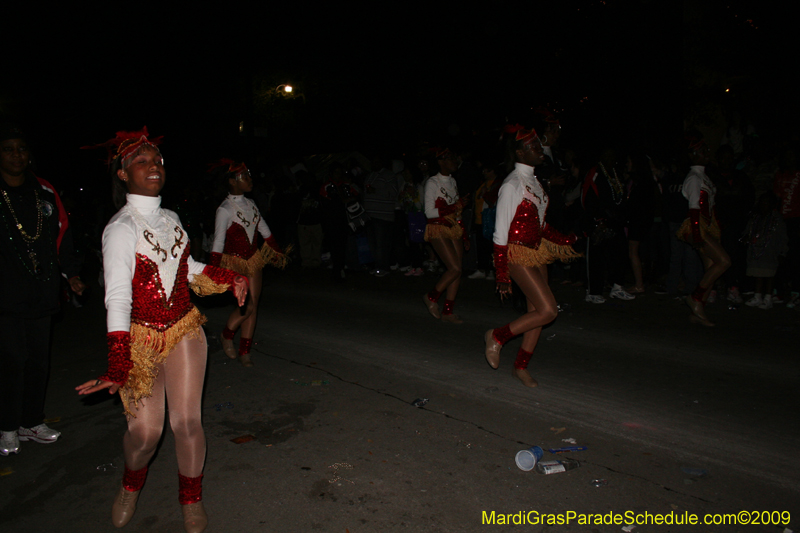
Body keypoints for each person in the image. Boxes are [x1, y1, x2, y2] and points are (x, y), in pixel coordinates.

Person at [76, 129, 248, 533]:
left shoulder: (170, 219)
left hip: (184, 327)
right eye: (142, 161)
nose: (154, 166)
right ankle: (130, 484)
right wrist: (118, 364)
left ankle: (191, 499)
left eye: (157, 160)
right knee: (146, 435)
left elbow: (185, 267)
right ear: (122, 174)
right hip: (140, 340)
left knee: (187, 423)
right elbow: (117, 298)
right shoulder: (120, 228)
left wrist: (227, 277)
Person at [0, 124, 85, 456]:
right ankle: (7, 426)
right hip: (5, 295)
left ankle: (30, 422)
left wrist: (71, 274)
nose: (16, 155)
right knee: (10, 360)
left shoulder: (45, 191)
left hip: (41, 291)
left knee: (38, 360)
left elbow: (63, 237)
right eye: (8, 149)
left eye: (21, 148)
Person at [484, 126, 580, 387]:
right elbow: (500, 235)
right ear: (519, 152)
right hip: (515, 252)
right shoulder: (512, 184)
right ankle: (497, 335)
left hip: (537, 252)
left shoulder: (535, 182)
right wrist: (502, 273)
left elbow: (540, 226)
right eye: (534, 147)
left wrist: (566, 240)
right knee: (549, 311)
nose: (540, 150)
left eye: (539, 145)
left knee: (537, 312)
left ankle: (520, 367)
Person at [209, 159, 289, 367]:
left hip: (253, 260)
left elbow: (264, 230)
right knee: (249, 305)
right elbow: (218, 240)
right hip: (234, 263)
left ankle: (245, 351)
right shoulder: (225, 209)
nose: (249, 180)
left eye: (248, 175)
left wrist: (278, 252)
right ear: (232, 182)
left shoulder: (251, 204)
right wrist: (213, 270)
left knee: (254, 305)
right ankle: (227, 335)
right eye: (244, 177)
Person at [676, 134, 731, 326]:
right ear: (693, 154)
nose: (707, 153)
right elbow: (693, 209)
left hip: (705, 226)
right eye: (703, 150)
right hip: (695, 226)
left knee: (711, 270)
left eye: (707, 150)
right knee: (724, 261)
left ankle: (698, 313)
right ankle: (695, 298)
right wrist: (698, 234)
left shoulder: (703, 176)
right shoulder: (694, 177)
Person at [422, 148, 470, 323]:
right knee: (454, 269)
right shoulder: (432, 182)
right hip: (437, 227)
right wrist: (455, 206)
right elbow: (429, 212)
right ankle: (431, 296)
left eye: (454, 158)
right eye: (450, 158)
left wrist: (464, 235)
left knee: (458, 271)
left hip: (453, 227)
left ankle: (448, 312)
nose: (454, 161)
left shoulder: (453, 181)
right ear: (441, 162)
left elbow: (457, 213)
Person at [742, 192, 788, 309]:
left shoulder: (776, 220)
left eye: (766, 203)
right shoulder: (755, 218)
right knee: (758, 274)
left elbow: (783, 238)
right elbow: (747, 231)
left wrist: (782, 252)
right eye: (761, 203)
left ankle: (768, 297)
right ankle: (757, 296)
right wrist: (746, 237)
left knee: (769, 275)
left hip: (770, 252)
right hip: (756, 251)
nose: (763, 205)